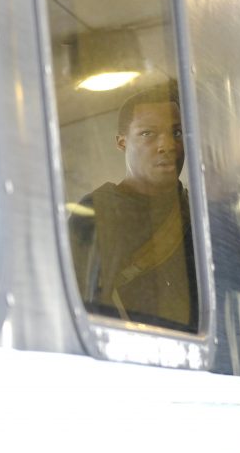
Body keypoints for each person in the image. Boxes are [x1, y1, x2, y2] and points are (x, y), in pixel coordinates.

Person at [68, 81, 197, 331]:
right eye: (148, 134)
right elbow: (76, 307)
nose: (168, 145)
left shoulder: (199, 213)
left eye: (177, 133)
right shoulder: (95, 213)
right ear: (121, 142)